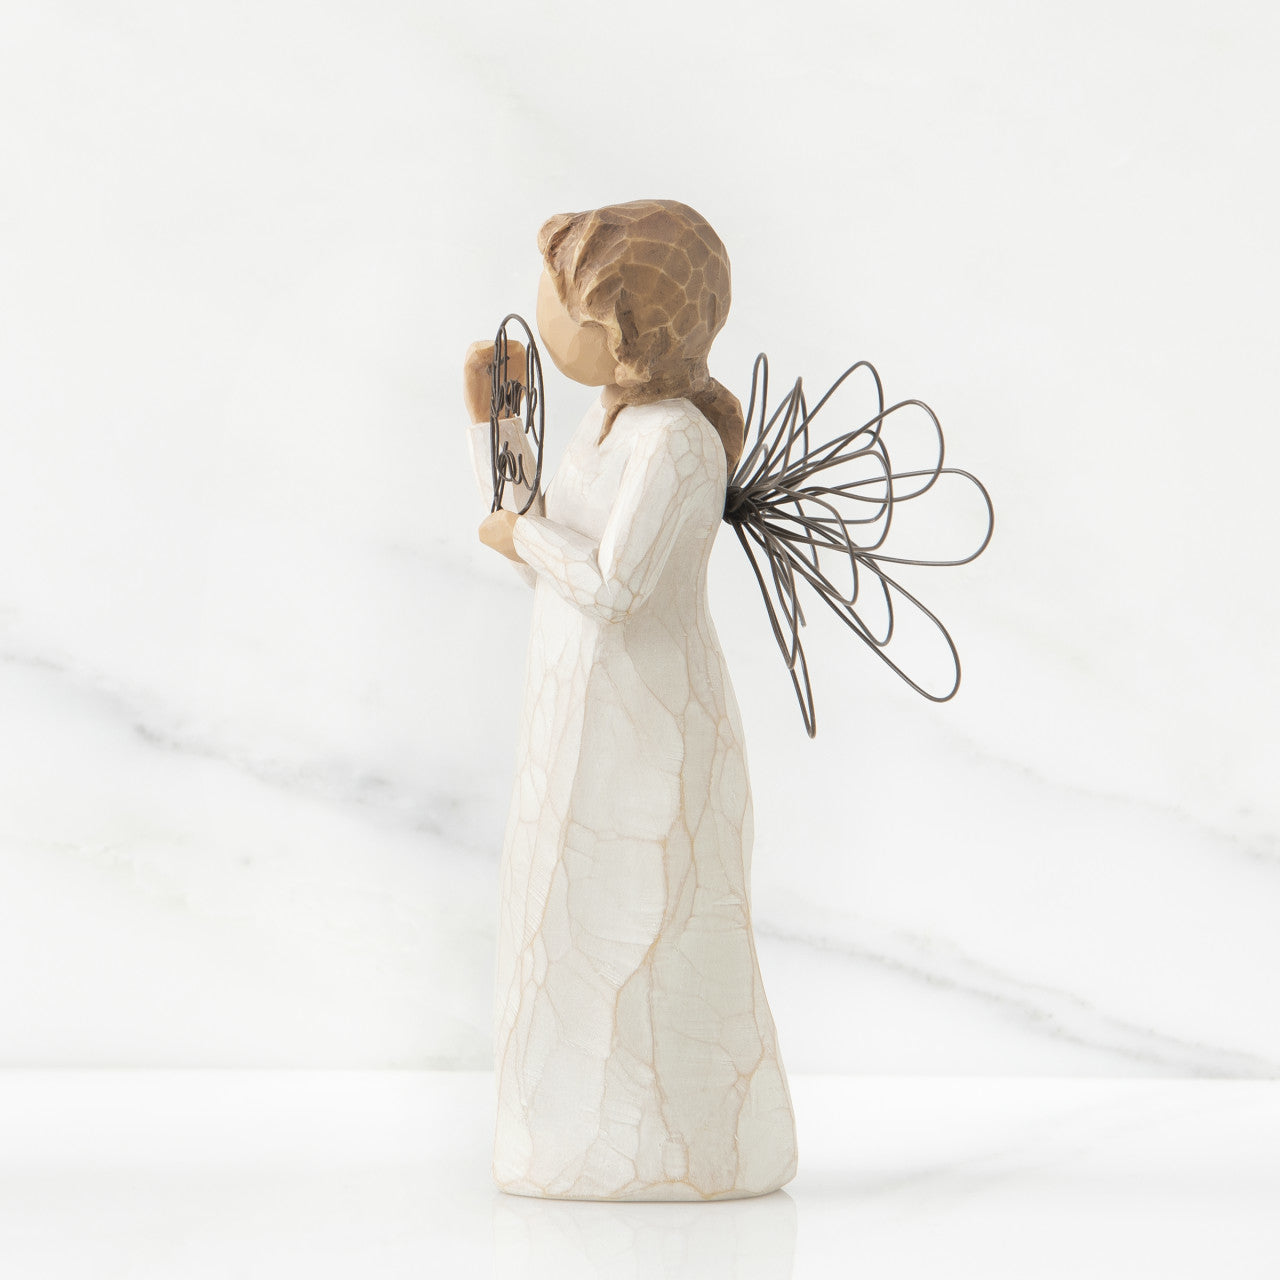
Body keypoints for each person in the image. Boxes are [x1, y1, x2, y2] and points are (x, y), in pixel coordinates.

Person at [466, 200, 797, 1201]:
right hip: (572, 715)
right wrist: (500, 432)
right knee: (562, 920)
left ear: (623, 329)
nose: (542, 312)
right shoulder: (608, 419)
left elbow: (614, 588)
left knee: (650, 928)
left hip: (647, 731)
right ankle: (563, 1140)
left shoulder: (677, 443)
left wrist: (520, 535)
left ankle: (691, 1147)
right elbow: (542, 538)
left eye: (562, 302)